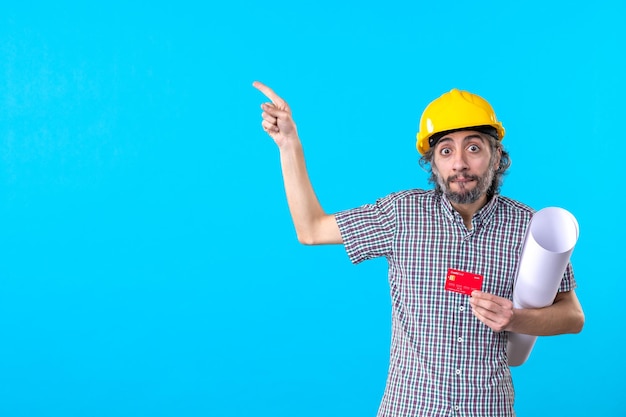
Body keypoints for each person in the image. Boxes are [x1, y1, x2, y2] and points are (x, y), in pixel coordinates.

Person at [252, 81, 585, 417]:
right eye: (445, 151)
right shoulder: (402, 214)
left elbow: (573, 317)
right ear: (433, 163)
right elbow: (310, 229)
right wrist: (289, 144)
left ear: (496, 156)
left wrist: (516, 318)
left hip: (489, 408)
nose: (459, 164)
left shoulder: (531, 227)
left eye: (473, 148)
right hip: (410, 407)